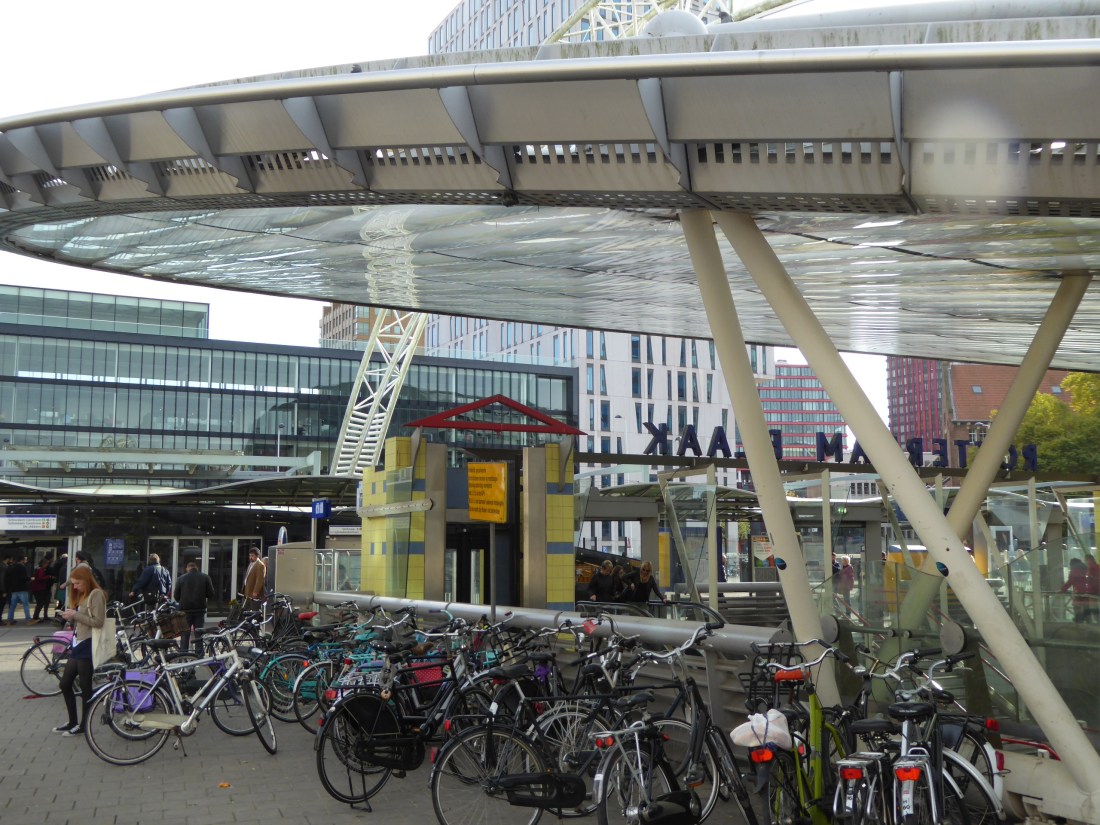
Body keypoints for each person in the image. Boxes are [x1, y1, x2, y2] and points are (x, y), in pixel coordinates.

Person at [54, 566, 105, 735]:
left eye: (77, 583)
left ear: (86, 580)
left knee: (85, 687)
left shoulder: (96, 594)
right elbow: (83, 618)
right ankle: (72, 722)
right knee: (65, 684)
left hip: (88, 643)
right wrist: (71, 616)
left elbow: (98, 622)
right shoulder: (83, 594)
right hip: (79, 642)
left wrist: (75, 615)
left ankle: (84, 725)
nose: (75, 587)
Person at [173, 561, 215, 654]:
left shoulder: (181, 578)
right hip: (200, 611)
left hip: (185, 611)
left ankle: (183, 654)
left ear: (187, 568)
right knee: (199, 634)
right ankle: (198, 655)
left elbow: (176, 596)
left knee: (185, 634)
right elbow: (211, 594)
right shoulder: (205, 577)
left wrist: (183, 600)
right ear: (197, 568)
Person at [1062, 558, 1098, 623]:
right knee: (1087, 608)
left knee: (1077, 607)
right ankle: (1089, 622)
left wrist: (1062, 589)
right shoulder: (1086, 569)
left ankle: (1079, 622)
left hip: (1079, 593)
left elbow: (1070, 582)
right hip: (1088, 593)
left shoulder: (1074, 571)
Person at [4, 553, 32, 625]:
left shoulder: (12, 567)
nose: (26, 561)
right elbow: (23, 578)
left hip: (14, 589)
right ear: (22, 560)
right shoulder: (22, 567)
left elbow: (8, 578)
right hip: (22, 588)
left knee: (12, 605)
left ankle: (9, 620)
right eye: (25, 559)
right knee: (25, 604)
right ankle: (28, 620)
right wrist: (30, 578)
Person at [29, 556, 56, 623]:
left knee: (40, 603)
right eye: (46, 564)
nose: (47, 565)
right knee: (40, 603)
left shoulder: (38, 569)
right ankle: (35, 617)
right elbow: (40, 578)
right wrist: (48, 576)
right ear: (43, 564)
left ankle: (36, 617)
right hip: (39, 588)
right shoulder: (41, 570)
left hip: (36, 588)